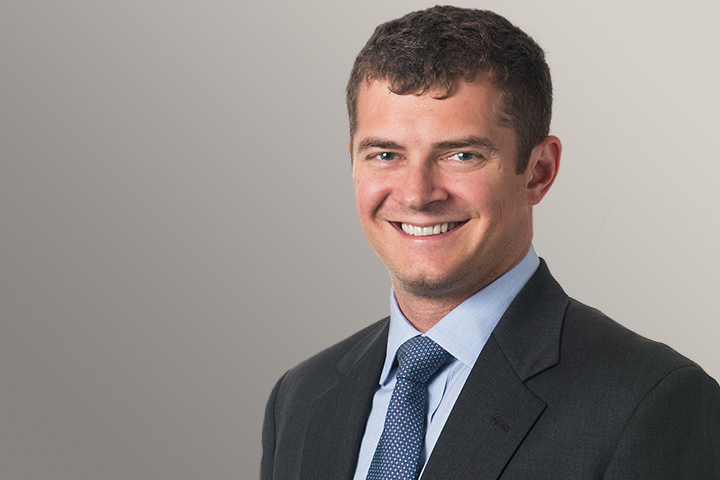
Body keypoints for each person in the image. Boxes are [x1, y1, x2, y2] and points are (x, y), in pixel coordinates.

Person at [260, 6, 720, 479]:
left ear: (539, 171)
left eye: (461, 155)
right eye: (385, 154)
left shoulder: (652, 403)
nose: (417, 195)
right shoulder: (300, 399)